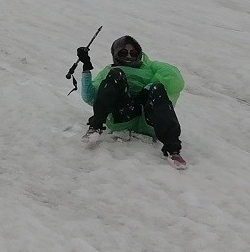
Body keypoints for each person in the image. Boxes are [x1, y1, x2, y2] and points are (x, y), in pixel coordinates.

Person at [77, 34, 186, 164]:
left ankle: (172, 149)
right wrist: (86, 68)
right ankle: (95, 127)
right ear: (115, 54)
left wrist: (147, 89)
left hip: (148, 118)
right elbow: (90, 97)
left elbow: (175, 81)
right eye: (123, 53)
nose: (128, 56)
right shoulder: (110, 70)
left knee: (157, 87)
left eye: (133, 53)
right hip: (123, 116)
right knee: (116, 75)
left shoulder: (151, 67)